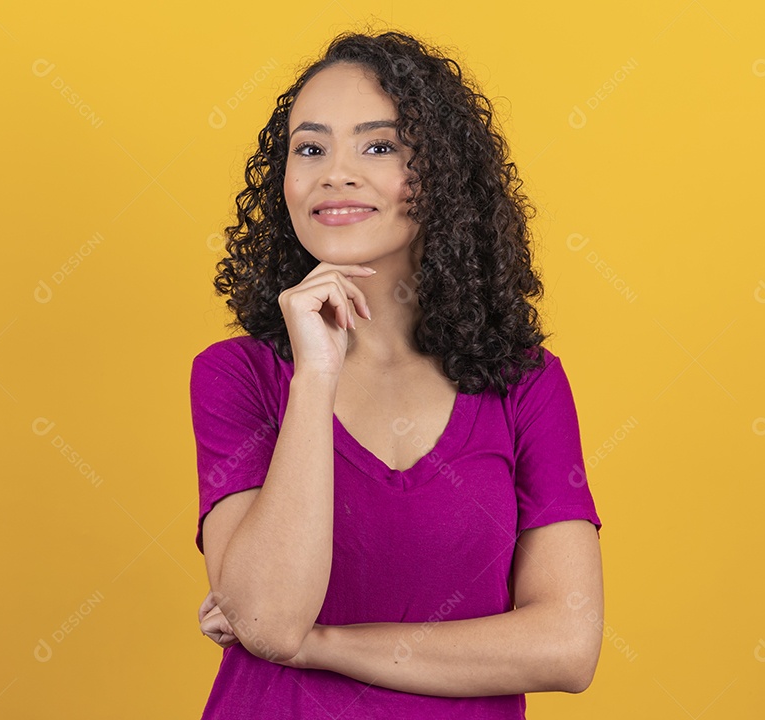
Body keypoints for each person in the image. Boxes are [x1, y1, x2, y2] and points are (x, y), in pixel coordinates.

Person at [189, 28, 604, 719]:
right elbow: (266, 620)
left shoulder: (524, 384)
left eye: (378, 146)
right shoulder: (238, 376)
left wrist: (321, 645)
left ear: (441, 173)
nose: (335, 174)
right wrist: (314, 377)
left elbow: (566, 644)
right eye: (310, 148)